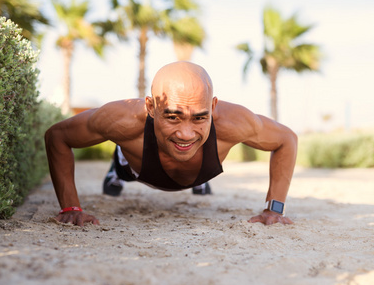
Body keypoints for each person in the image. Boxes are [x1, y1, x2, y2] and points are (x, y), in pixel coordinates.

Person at [45, 61, 297, 227]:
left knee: (194, 145)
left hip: (198, 169)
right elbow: (58, 136)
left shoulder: (234, 122)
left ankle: (200, 171)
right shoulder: (122, 120)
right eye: (173, 117)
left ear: (212, 107)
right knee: (126, 161)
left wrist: (274, 209)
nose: (186, 133)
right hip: (137, 167)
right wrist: (70, 207)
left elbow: (287, 139)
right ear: (151, 107)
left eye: (199, 117)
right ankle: (118, 167)